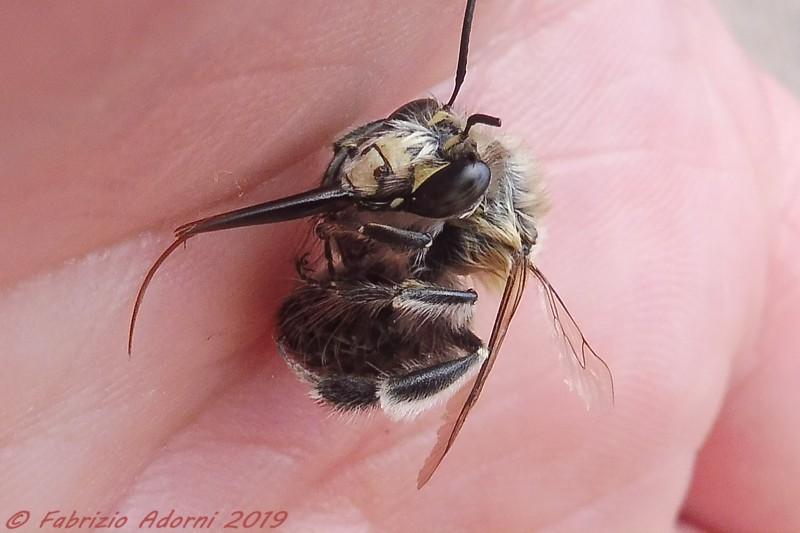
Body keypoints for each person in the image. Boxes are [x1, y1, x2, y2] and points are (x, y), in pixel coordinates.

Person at [1, 1, 798, 531]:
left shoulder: (482, 240)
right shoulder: (452, 163)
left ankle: (379, 375)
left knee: (463, 335)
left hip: (363, 362)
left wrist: (377, 277)